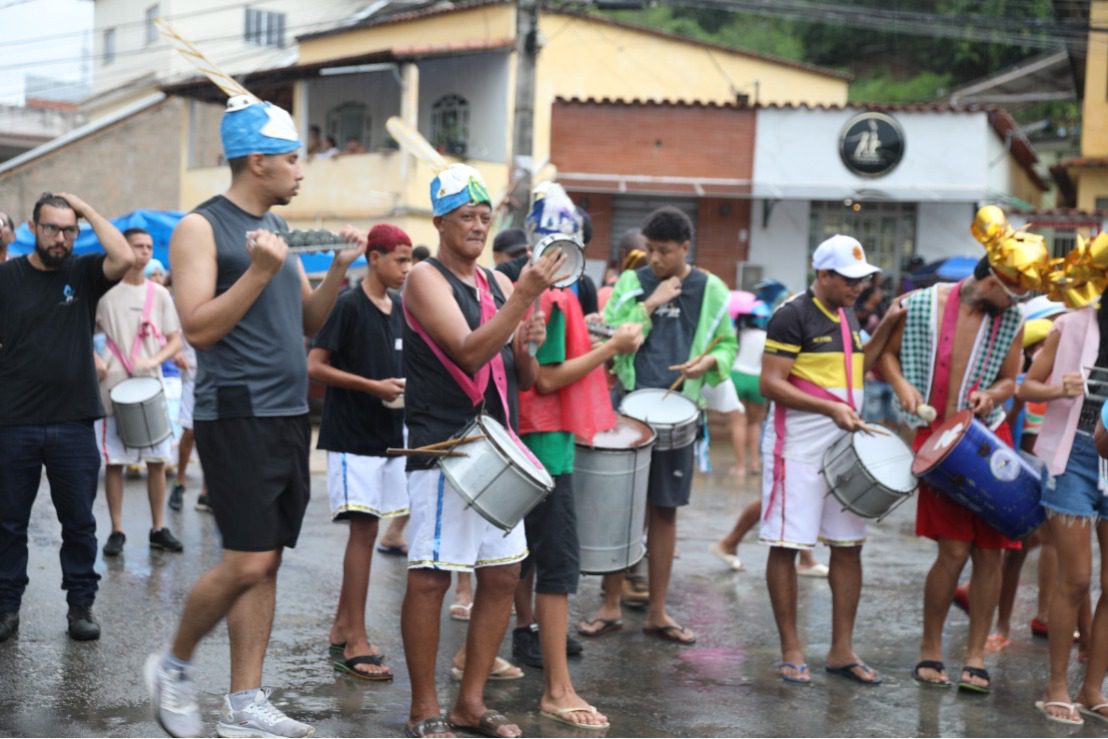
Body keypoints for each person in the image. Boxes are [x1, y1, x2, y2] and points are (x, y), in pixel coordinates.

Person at [145, 96, 360, 738]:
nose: (302, 171)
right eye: (293, 160)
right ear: (259, 161)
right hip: (237, 411)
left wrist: (338, 274)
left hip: (289, 414)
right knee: (244, 561)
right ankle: (173, 667)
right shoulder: (200, 227)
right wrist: (260, 270)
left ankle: (245, 706)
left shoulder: (278, 231)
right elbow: (198, 328)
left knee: (266, 563)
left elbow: (307, 323)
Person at [399, 163, 561, 738]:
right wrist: (524, 297)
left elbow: (517, 375)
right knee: (431, 575)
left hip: (496, 444)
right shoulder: (425, 278)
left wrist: (528, 347)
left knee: (502, 573)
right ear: (440, 221)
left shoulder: (492, 282)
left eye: (484, 217)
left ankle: (469, 703)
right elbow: (467, 353)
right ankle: (424, 711)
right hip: (447, 445)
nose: (478, 226)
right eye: (466, 217)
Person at [508, 183, 642, 729]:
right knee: (558, 567)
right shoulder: (553, 293)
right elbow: (543, 380)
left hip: (532, 442)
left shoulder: (528, 287)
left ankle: (473, 655)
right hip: (545, 445)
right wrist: (612, 347)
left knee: (515, 559)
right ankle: (557, 691)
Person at [579, 206, 737, 646]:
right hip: (626, 410)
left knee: (665, 512)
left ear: (686, 248)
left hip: (678, 409)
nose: (654, 259)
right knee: (618, 508)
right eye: (649, 250)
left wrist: (707, 361)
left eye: (664, 251)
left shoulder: (712, 289)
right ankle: (609, 606)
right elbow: (614, 335)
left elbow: (727, 344)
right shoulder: (633, 282)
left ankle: (658, 611)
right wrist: (653, 301)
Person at [758, 235, 902, 686]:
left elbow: (858, 367)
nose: (859, 287)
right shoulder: (791, 315)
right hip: (796, 447)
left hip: (842, 446)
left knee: (848, 546)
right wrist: (830, 409)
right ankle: (791, 649)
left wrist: (889, 325)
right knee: (786, 544)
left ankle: (841, 649)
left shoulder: (845, 313)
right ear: (823, 275)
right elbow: (770, 383)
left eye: (863, 279)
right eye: (850, 279)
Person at [879, 255, 1025, 693]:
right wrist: (903, 387)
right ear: (991, 279)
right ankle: (931, 648)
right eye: (1010, 290)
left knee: (990, 552)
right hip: (939, 441)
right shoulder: (921, 304)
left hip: (987, 439)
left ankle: (975, 654)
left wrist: (989, 394)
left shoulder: (1010, 316)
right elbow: (886, 354)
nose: (1014, 301)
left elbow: (1010, 381)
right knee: (954, 551)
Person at [0, 192, 135, 643]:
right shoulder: (8, 278)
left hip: (74, 422)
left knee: (78, 522)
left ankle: (81, 606)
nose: (60, 238)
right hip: (13, 422)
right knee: (8, 522)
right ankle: (6, 608)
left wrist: (86, 207)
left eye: (68, 230)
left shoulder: (84, 273)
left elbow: (125, 255)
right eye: (52, 228)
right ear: (33, 231)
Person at [307, 223, 414, 682]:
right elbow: (314, 365)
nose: (407, 269)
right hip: (352, 436)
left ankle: (341, 625)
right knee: (364, 532)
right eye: (400, 259)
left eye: (410, 260)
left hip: (390, 434)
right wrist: (371, 386)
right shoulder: (349, 305)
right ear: (374, 257)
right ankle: (356, 639)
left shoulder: (401, 309)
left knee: (369, 533)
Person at [1018, 298, 1108, 725]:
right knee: (1076, 578)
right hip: (1074, 459)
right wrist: (1059, 388)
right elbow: (1026, 385)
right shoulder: (1071, 324)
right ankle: (1056, 684)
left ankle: (1092, 689)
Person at [95, 227, 184, 557]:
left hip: (151, 385)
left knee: (157, 460)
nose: (145, 252)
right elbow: (78, 332)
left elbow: (175, 338)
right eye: (138, 246)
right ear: (125, 249)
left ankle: (158, 527)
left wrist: (156, 358)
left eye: (149, 247)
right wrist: (95, 360)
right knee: (115, 462)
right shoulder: (105, 293)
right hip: (113, 386)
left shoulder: (159, 295)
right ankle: (117, 530)